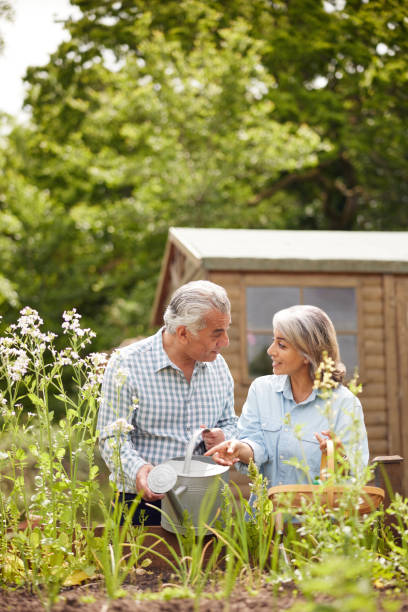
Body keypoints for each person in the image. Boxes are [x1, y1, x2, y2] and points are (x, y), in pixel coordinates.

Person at [97, 280, 238, 525]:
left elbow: (230, 422)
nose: (225, 341)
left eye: (226, 330)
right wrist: (139, 471)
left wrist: (225, 436)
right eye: (217, 333)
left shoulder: (219, 366)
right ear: (183, 332)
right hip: (141, 504)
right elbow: (111, 437)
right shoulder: (126, 364)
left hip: (205, 501)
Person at [205, 305, 369, 491]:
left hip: (316, 518)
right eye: (273, 341)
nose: (270, 350)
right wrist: (237, 448)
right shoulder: (261, 390)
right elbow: (255, 445)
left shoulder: (344, 404)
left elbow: (358, 475)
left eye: (282, 345)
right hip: (266, 517)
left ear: (308, 353)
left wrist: (340, 458)